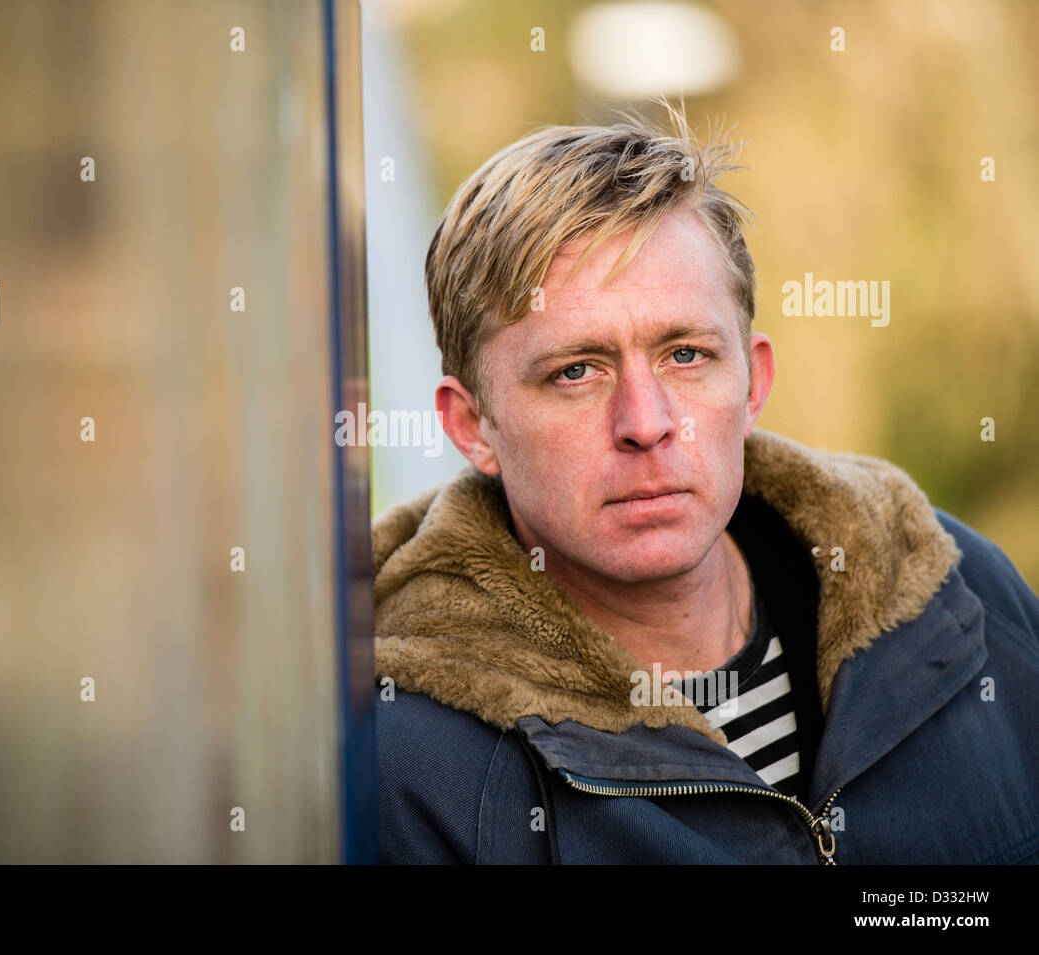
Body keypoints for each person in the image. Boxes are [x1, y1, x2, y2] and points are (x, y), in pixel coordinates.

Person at [373, 102, 1039, 864]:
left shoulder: (961, 594)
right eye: (575, 371)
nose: (646, 422)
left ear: (752, 381)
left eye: (685, 355)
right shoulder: (414, 769)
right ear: (471, 426)